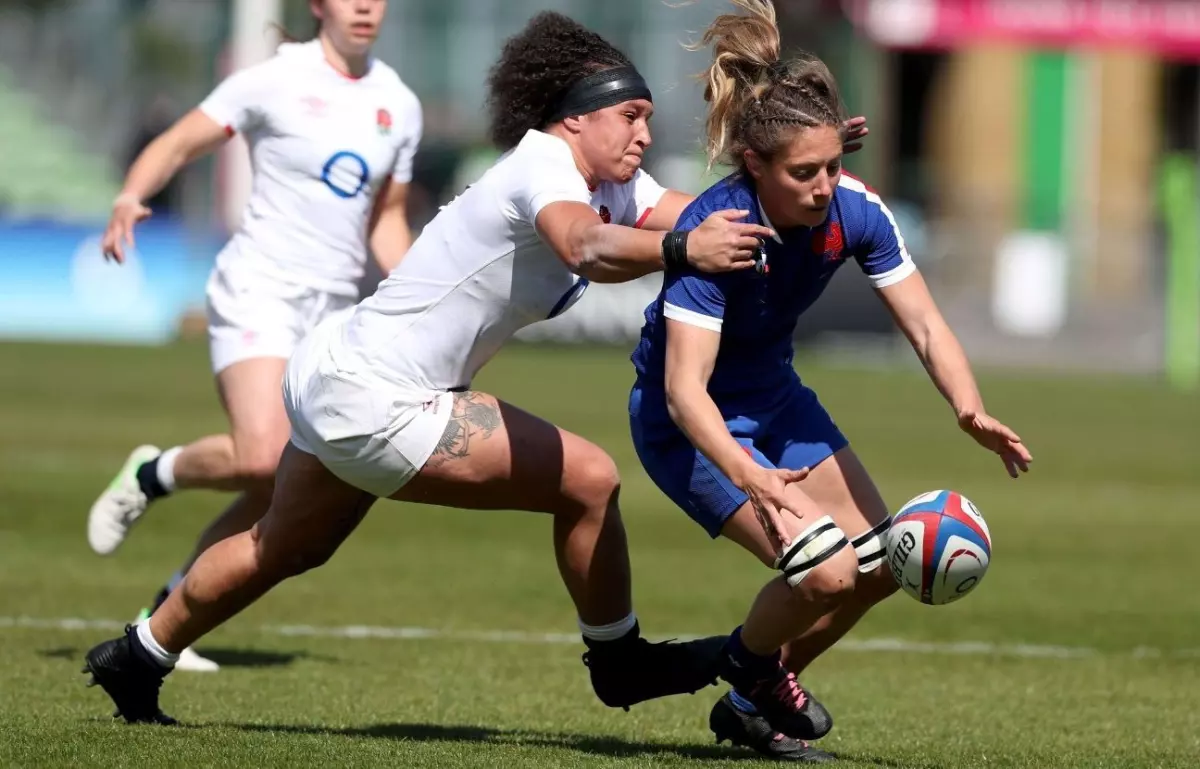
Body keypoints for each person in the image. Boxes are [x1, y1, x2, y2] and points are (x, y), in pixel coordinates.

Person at [78, 9, 822, 725]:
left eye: (647, 118)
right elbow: (586, 248)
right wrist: (679, 252)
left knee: (283, 545)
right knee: (590, 481)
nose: (645, 133)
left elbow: (699, 214)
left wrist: (810, 175)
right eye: (630, 115)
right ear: (575, 118)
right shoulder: (545, 167)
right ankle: (619, 660)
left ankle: (137, 654)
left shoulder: (612, 184)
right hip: (381, 396)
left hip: (340, 370)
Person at [627, 0, 1034, 761]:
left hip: (776, 401)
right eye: (803, 172)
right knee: (825, 571)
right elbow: (684, 390)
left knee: (883, 563)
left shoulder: (856, 212)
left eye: (833, 167)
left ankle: (750, 700)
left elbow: (923, 323)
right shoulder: (722, 232)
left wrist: (968, 406)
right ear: (755, 165)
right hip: (687, 422)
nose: (823, 186)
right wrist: (751, 476)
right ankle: (747, 662)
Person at [85, 0, 422, 672]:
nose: (365, 6)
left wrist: (418, 293)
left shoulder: (399, 104)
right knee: (263, 452)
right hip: (259, 289)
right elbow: (180, 141)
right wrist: (130, 196)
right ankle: (155, 470)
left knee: (283, 481)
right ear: (317, 5)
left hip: (332, 313)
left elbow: (385, 217)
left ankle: (168, 613)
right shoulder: (274, 77)